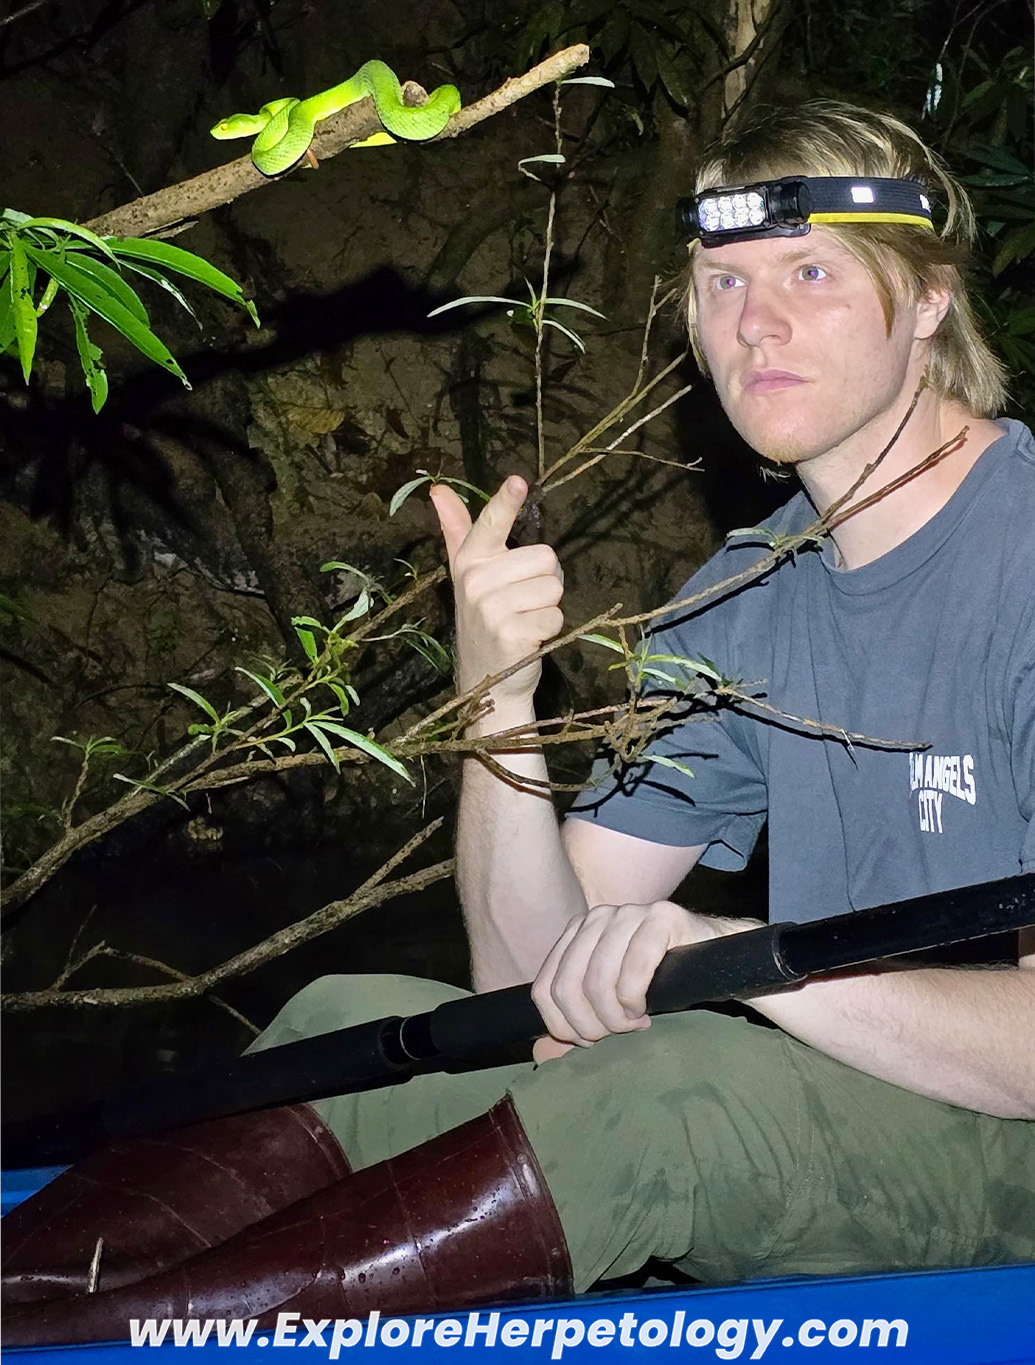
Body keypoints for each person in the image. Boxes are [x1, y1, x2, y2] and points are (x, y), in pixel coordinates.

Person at [4, 99, 1034, 1345]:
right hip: (850, 1083)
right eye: (718, 283)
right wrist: (496, 698)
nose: (752, 324)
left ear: (927, 301)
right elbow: (527, 988)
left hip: (1006, 1146)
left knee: (676, 1082)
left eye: (810, 273)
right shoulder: (742, 602)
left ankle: (126, 1345)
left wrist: (751, 967)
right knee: (350, 1019)